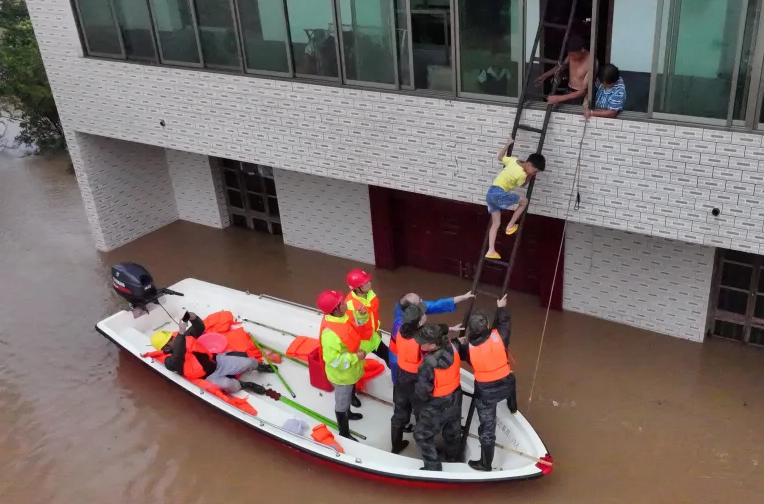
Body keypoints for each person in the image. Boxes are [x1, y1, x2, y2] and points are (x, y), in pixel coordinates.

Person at [390, 303, 462, 454]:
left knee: (399, 411)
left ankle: (396, 445)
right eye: (422, 315)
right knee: (421, 413)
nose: (425, 316)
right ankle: (424, 448)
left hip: (401, 377)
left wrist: (448, 328)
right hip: (417, 378)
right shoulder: (422, 343)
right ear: (420, 322)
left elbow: (434, 328)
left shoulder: (400, 329)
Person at [147, 312, 274, 395]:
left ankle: (259, 367)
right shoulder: (169, 362)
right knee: (230, 385)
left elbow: (200, 327)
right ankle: (246, 385)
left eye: (172, 338)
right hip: (208, 377)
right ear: (165, 349)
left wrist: (193, 317)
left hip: (218, 362)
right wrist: (180, 333)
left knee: (249, 361)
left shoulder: (184, 337)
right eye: (169, 342)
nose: (173, 340)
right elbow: (179, 355)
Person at [458, 295, 516, 472]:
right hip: (506, 383)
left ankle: (485, 464)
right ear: (488, 326)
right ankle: (513, 406)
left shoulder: (468, 348)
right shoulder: (500, 337)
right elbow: (505, 322)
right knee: (512, 379)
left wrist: (459, 341)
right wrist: (501, 308)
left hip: (486, 393)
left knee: (487, 429)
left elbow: (459, 353)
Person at [389, 290, 475, 384]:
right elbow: (429, 338)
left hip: (412, 355)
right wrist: (455, 342)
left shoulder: (411, 311)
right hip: (399, 356)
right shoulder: (401, 327)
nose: (423, 301)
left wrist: (463, 297)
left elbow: (436, 305)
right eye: (420, 301)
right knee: (399, 378)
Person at [317, 290, 366, 441]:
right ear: (336, 309)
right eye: (342, 302)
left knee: (350, 389)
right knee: (341, 403)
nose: (346, 302)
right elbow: (333, 360)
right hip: (342, 376)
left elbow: (359, 325)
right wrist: (355, 357)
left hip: (350, 371)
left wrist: (362, 314)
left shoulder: (344, 316)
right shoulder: (329, 334)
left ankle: (349, 413)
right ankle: (344, 432)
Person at [414, 324, 464, 471]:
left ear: (433, 345)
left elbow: (423, 392)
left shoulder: (426, 366)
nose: (419, 344)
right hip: (456, 395)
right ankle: (453, 457)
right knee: (453, 429)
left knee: (421, 435)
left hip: (438, 403)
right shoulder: (452, 346)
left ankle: (433, 467)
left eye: (423, 342)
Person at [485, 139, 546, 259]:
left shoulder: (513, 160)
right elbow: (523, 185)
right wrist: (529, 176)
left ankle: (491, 250)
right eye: (534, 171)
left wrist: (507, 144)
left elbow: (500, 156)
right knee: (524, 201)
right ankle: (510, 226)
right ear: (528, 164)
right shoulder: (522, 175)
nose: (534, 174)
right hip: (499, 194)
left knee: (496, 223)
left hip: (490, 193)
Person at [345, 268, 389, 407]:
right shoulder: (351, 305)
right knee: (352, 372)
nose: (370, 283)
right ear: (358, 288)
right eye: (366, 282)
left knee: (389, 355)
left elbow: (372, 317)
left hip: (372, 336)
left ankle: (399, 379)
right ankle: (351, 397)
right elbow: (355, 324)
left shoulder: (369, 294)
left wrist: (376, 330)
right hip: (359, 342)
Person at [535, 35, 593, 106]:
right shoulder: (572, 54)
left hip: (580, 97)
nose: (571, 58)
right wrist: (545, 76)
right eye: (570, 55)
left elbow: (584, 91)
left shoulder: (591, 63)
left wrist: (559, 98)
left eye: (573, 56)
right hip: (568, 90)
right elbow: (562, 66)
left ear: (582, 50)